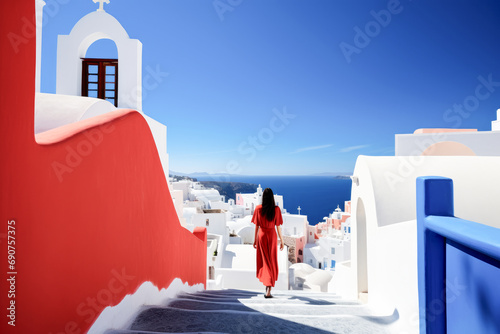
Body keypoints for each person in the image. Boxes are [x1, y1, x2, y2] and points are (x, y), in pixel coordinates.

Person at [252, 188, 284, 298]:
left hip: (262, 235)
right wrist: (282, 240)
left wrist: (255, 240)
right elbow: (278, 226)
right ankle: (269, 287)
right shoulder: (276, 209)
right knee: (271, 261)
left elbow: (256, 226)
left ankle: (267, 285)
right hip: (272, 235)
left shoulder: (258, 209)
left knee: (264, 261)